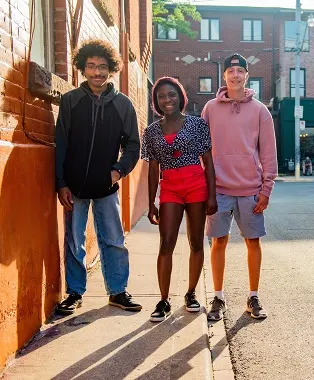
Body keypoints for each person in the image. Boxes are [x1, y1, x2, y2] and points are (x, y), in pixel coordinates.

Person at [55, 39, 142, 314]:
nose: (97, 73)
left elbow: (133, 145)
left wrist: (118, 170)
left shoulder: (123, 104)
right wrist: (61, 183)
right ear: (82, 68)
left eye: (103, 67)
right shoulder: (70, 101)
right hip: (75, 186)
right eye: (91, 66)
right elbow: (61, 144)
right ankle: (74, 292)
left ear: (111, 69)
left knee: (114, 239)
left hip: (107, 186)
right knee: (74, 241)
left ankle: (117, 291)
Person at [201, 53, 277, 321]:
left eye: (240, 70)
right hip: (219, 189)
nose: (235, 74)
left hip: (250, 190)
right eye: (230, 70)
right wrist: (206, 186)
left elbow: (268, 153)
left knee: (252, 242)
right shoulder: (210, 108)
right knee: (218, 242)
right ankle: (218, 297)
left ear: (247, 75)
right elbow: (203, 150)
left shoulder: (260, 110)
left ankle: (253, 296)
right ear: (224, 76)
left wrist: (266, 189)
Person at [141, 77, 217, 322]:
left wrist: (212, 195)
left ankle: (191, 294)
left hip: (196, 184)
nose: (167, 100)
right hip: (171, 187)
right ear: (156, 101)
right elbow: (153, 169)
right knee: (166, 244)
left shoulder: (197, 124)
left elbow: (208, 162)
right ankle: (163, 300)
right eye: (162, 96)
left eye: (171, 95)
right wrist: (151, 202)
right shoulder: (151, 131)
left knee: (196, 242)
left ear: (180, 96)